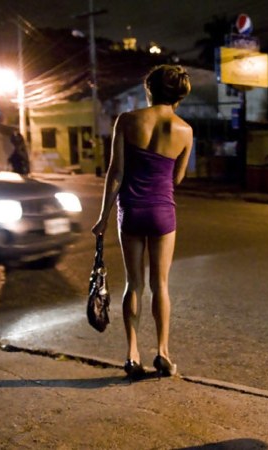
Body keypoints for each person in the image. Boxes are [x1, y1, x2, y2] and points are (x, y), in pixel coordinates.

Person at [92, 65, 193, 379]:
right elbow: (177, 178)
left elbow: (116, 173)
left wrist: (103, 217)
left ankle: (132, 354)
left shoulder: (127, 120)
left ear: (150, 89)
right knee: (160, 285)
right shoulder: (185, 130)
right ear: (178, 95)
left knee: (133, 283)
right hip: (163, 212)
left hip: (132, 211)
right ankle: (163, 353)